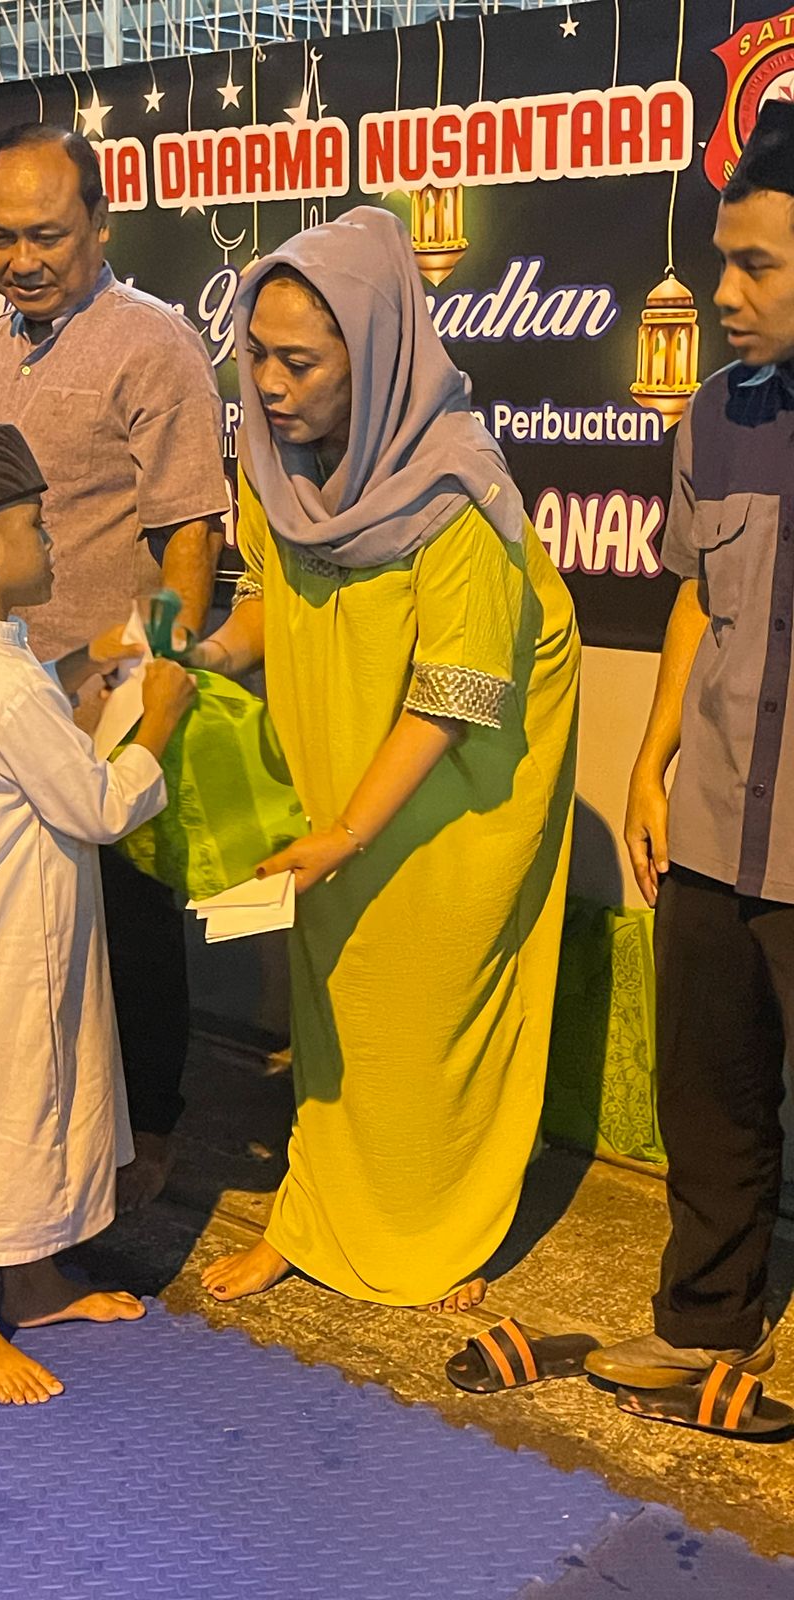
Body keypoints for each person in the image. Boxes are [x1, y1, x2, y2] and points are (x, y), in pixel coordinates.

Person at [193, 207, 580, 1313]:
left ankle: (447, 1224)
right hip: (343, 767)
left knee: (431, 1006)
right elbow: (268, 601)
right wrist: (192, 659)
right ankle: (311, 1214)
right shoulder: (273, 464)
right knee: (335, 996)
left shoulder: (457, 494)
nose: (270, 385)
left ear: (374, 353)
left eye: (300, 362)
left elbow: (455, 693)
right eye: (258, 355)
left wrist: (350, 833)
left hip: (455, 787)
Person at [0, 124, 229, 1209]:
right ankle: (48, 1133)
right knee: (28, 936)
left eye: (48, 236)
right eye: (1, 237)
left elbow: (190, 531)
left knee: (130, 921)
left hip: (108, 693)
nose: (22, 260)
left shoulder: (154, 345)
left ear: (100, 225)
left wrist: (155, 675)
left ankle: (148, 1125)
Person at [0, 424, 197, 1403]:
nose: (52, 543)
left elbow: (18, 736)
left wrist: (92, 664)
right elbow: (96, 806)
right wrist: (159, 721)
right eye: (37, 525)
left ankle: (33, 1277)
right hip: (7, 941)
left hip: (12, 928)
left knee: (40, 1106)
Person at [588, 101, 794, 1392]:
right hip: (713, 830)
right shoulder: (712, 414)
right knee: (708, 1101)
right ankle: (705, 1326)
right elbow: (693, 597)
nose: (723, 291)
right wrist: (649, 760)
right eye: (722, 261)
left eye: (756, 264)